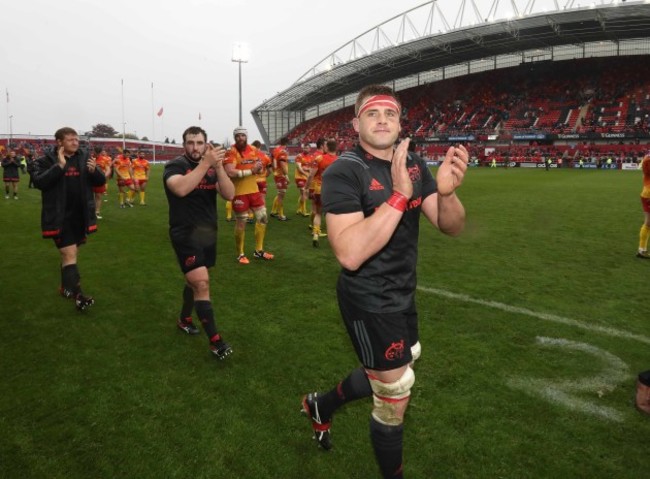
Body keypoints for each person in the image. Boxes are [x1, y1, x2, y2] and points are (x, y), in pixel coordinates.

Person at [300, 85, 468, 479]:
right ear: (356, 123)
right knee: (394, 392)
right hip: (367, 298)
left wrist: (447, 194)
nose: (382, 120)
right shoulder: (345, 170)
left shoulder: (413, 164)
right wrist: (398, 197)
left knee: (393, 368)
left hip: (403, 292)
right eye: (372, 114)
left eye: (390, 114)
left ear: (399, 123)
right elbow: (348, 252)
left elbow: (451, 226)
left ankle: (321, 405)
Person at [163, 126, 235, 359]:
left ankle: (184, 319)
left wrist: (219, 167)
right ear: (184, 145)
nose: (195, 147)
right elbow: (180, 189)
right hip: (184, 233)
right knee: (202, 283)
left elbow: (229, 194)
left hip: (207, 233)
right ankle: (216, 341)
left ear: (206, 144)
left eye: (199, 143)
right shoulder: (174, 166)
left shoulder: (213, 169)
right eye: (191, 143)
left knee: (194, 281)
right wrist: (205, 164)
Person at [33, 127, 106, 311]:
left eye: (77, 139)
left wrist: (94, 171)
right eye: (71, 139)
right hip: (59, 216)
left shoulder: (83, 157)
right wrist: (59, 165)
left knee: (70, 254)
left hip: (79, 216)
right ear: (59, 142)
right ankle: (79, 296)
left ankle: (65, 287)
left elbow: (100, 181)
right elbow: (39, 182)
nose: (76, 142)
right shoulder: (45, 160)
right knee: (69, 254)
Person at [223, 126, 274, 264]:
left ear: (246, 137)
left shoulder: (253, 150)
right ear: (235, 138)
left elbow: (263, 163)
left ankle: (259, 251)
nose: (240, 138)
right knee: (241, 224)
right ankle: (240, 254)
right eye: (238, 135)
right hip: (239, 193)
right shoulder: (230, 152)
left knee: (263, 218)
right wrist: (252, 171)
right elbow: (230, 172)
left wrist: (260, 168)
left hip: (254, 191)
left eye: (242, 135)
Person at [305, 139, 337, 247]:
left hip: (319, 189)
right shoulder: (339, 160)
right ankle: (335, 237)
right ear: (336, 148)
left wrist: (307, 187)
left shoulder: (319, 158)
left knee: (318, 212)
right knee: (331, 214)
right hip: (332, 190)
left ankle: (315, 234)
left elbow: (311, 175)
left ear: (326, 147)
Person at [270, 137, 290, 221]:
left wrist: (274, 169)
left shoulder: (275, 149)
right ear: (286, 143)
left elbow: (272, 161)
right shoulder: (283, 151)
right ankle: (280, 215)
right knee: (281, 195)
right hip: (281, 174)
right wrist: (286, 175)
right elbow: (282, 164)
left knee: (279, 194)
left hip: (276, 174)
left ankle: (273, 211)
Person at [92, 147, 112, 219]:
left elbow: (108, 169)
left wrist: (103, 176)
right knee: (89, 197)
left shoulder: (105, 159)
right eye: (95, 153)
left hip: (99, 181)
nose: (96, 155)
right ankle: (89, 212)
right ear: (93, 151)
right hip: (89, 180)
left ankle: (97, 212)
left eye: (98, 153)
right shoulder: (88, 158)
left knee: (98, 196)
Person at [637, 153, 650, 259]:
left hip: (646, 192)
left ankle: (642, 249)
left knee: (648, 222)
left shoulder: (646, 157)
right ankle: (642, 250)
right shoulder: (647, 159)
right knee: (648, 222)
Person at [294, 143, 312, 217]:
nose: (305, 149)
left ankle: (299, 209)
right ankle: (304, 211)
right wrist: (305, 172)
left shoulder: (311, 157)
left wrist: (307, 169)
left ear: (310, 149)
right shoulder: (299, 156)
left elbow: (311, 168)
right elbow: (299, 167)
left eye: (307, 148)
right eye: (304, 148)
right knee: (304, 193)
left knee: (303, 195)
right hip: (299, 177)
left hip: (306, 177)